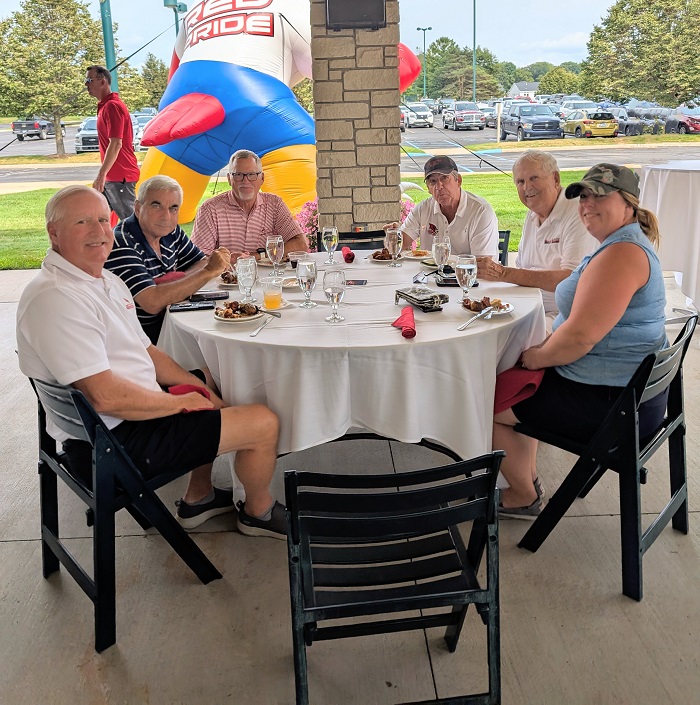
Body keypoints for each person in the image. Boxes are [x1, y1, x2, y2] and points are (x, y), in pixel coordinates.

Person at [16, 186, 285, 538]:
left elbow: (147, 351)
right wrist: (180, 403)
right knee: (263, 422)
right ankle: (257, 512)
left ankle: (199, 496)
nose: (99, 232)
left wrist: (200, 388)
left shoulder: (103, 281)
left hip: (118, 420)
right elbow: (106, 398)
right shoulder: (57, 298)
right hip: (112, 444)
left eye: (102, 219)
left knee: (210, 376)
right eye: (83, 222)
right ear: (54, 232)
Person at [493, 164, 667, 519]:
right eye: (583, 196)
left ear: (629, 204)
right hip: (622, 393)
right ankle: (526, 482)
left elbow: (580, 337)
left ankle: (523, 493)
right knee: (509, 384)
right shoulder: (618, 245)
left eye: (600, 195)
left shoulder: (622, 255)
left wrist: (536, 357)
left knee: (487, 401)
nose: (587, 204)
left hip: (613, 407)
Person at [476, 151, 597, 332]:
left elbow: (571, 279)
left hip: (564, 315)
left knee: (499, 341)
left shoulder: (577, 212)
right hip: (529, 307)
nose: (527, 187)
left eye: (534, 178)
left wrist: (502, 273)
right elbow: (523, 267)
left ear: (555, 179)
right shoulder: (532, 214)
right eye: (520, 182)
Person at [105, 175, 231, 344]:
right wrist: (206, 273)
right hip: (140, 341)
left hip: (172, 327)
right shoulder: (121, 242)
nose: (166, 216)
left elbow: (202, 261)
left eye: (173, 208)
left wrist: (171, 284)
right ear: (137, 207)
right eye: (156, 206)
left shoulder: (170, 231)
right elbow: (152, 303)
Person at [191, 149, 308, 261]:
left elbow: (300, 244)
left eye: (252, 174)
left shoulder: (274, 204)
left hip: (267, 279)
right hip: (226, 279)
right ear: (229, 179)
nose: (245, 181)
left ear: (262, 178)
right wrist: (227, 260)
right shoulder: (210, 209)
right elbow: (198, 258)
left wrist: (256, 256)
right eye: (238, 175)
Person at [398, 155, 499, 258]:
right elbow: (400, 244)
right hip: (430, 273)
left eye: (444, 178)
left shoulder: (480, 211)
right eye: (433, 181)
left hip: (469, 274)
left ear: (458, 180)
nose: (439, 186)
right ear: (428, 188)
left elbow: (484, 265)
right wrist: (393, 236)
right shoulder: (422, 209)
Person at [85, 65, 140, 221]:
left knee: (132, 223)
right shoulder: (105, 106)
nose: (86, 85)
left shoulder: (112, 106)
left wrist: (101, 175)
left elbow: (116, 143)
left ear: (103, 82)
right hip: (112, 176)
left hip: (120, 175)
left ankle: (145, 245)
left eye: (89, 80)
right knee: (95, 216)